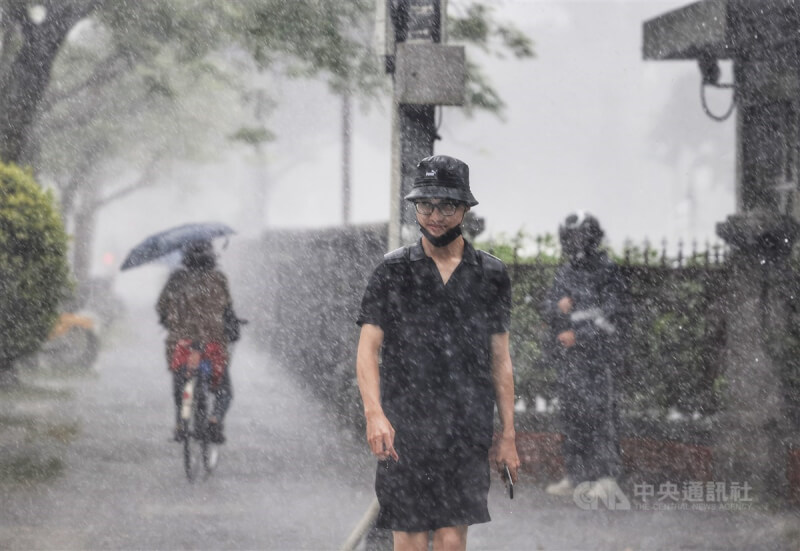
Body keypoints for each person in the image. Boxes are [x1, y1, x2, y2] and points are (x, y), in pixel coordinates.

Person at [356, 154, 520, 550]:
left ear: (464, 209)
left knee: (450, 541)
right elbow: (367, 350)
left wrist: (508, 435)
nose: (435, 215)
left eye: (447, 205)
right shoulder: (393, 271)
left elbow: (501, 361)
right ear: (415, 208)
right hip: (405, 428)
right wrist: (374, 414)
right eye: (426, 205)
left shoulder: (489, 275)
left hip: (466, 428)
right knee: (409, 539)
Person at [540, 212, 627, 499]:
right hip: (570, 361)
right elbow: (548, 309)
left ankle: (606, 477)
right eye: (570, 237)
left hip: (597, 359)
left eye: (579, 237)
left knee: (600, 416)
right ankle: (577, 476)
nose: (574, 243)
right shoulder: (566, 271)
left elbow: (613, 317)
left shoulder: (606, 270)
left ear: (592, 238)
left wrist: (581, 335)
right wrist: (558, 308)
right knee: (573, 417)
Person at [157, 240, 235, 444]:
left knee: (181, 384)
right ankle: (215, 421)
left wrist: (168, 320)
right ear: (212, 256)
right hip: (212, 345)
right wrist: (231, 327)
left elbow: (161, 307)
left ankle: (181, 423)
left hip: (181, 345)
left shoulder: (177, 279)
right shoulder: (218, 279)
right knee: (224, 391)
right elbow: (228, 311)